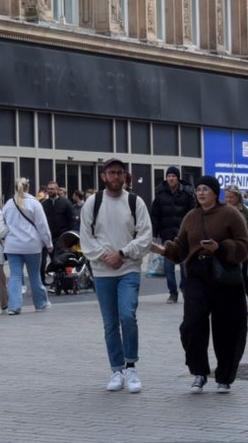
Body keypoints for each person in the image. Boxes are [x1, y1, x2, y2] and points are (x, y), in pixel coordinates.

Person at [152, 175, 248, 393]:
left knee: (227, 328)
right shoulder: (191, 216)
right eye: (198, 190)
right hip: (197, 276)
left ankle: (224, 376)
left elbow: (245, 246)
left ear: (216, 192)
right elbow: (180, 248)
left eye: (206, 189)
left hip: (225, 276)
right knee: (192, 324)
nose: (201, 193)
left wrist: (221, 247)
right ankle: (199, 372)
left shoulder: (230, 214)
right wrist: (164, 250)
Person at [79, 157, 152, 394]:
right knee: (110, 323)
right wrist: (105, 256)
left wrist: (122, 253)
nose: (116, 177)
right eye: (111, 173)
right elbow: (86, 239)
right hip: (102, 271)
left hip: (128, 268)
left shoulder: (134, 201)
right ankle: (116, 369)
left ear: (125, 176)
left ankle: (131, 367)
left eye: (120, 173)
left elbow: (145, 236)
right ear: (103, 176)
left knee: (127, 315)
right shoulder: (93, 202)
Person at [2, 176, 52, 314]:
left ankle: (14, 306)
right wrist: (48, 243)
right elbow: (43, 226)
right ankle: (40, 303)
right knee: (34, 275)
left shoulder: (8, 204)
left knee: (15, 276)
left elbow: (3, 222)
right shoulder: (35, 204)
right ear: (28, 188)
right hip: (32, 245)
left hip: (12, 245)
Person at [150, 165, 196, 303]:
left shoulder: (187, 193)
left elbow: (193, 213)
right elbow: (155, 216)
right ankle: (173, 293)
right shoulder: (160, 194)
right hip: (166, 235)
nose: (171, 178)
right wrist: (154, 233)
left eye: (174, 176)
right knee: (169, 267)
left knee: (184, 266)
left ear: (178, 178)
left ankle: (185, 288)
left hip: (183, 236)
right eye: (169, 176)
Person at [224, 184, 248, 313]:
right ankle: (232, 303)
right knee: (227, 275)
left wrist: (246, 245)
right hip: (226, 248)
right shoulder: (222, 210)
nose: (228, 200)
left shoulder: (246, 211)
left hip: (242, 249)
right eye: (226, 197)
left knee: (242, 275)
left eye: (231, 197)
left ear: (237, 197)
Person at [41, 178, 74, 282]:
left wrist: (70, 234)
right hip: (49, 236)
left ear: (57, 189)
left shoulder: (65, 203)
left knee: (62, 259)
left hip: (62, 236)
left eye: (52, 189)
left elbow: (71, 219)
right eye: (48, 189)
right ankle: (56, 279)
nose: (50, 191)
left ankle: (66, 279)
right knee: (52, 260)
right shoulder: (44, 204)